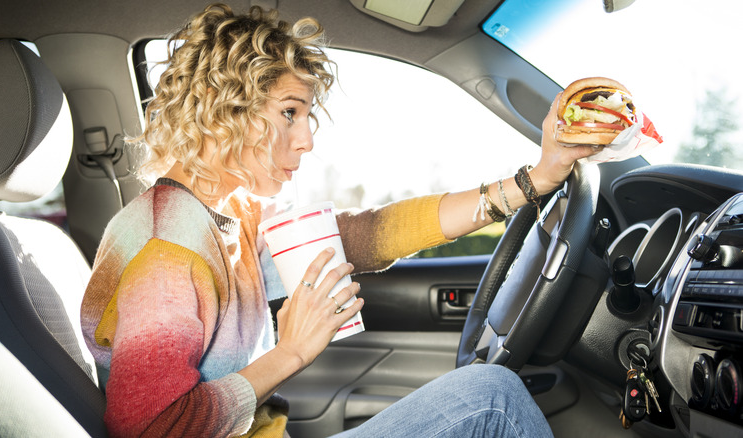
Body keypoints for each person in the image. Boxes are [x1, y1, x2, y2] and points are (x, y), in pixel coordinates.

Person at [80, 3, 599, 437]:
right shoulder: (166, 252)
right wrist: (291, 353)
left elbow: (369, 235)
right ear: (224, 111)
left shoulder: (230, 211)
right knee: (494, 399)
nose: (307, 139)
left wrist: (533, 182)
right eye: (289, 112)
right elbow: (147, 428)